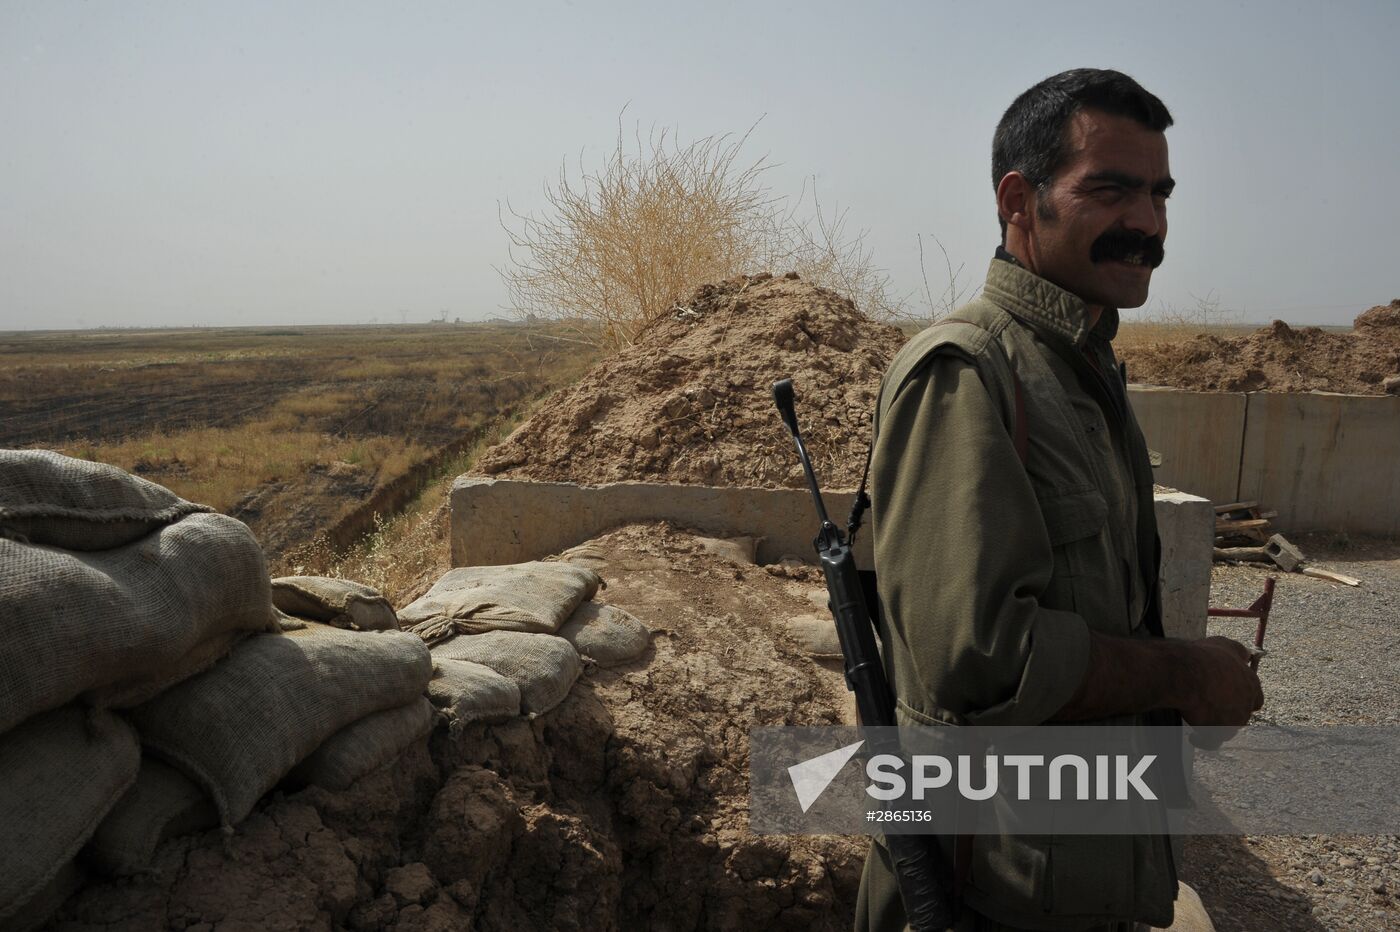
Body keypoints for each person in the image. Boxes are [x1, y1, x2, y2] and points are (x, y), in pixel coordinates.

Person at [855, 69, 1264, 932]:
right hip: (987, 897)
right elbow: (985, 658)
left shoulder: (1080, 370)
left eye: (1159, 193)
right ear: (1019, 200)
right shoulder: (969, 374)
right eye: (1110, 190)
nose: (1148, 222)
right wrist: (1187, 673)